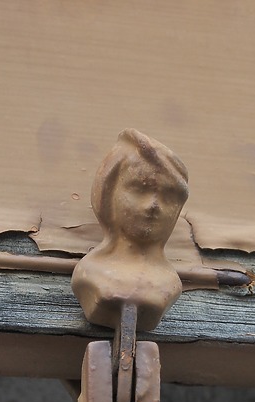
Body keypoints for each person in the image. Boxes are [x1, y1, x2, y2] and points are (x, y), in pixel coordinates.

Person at [71, 129, 189, 331]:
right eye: (139, 189)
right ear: (107, 194)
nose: (153, 206)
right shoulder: (90, 274)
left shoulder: (169, 284)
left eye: (168, 196)